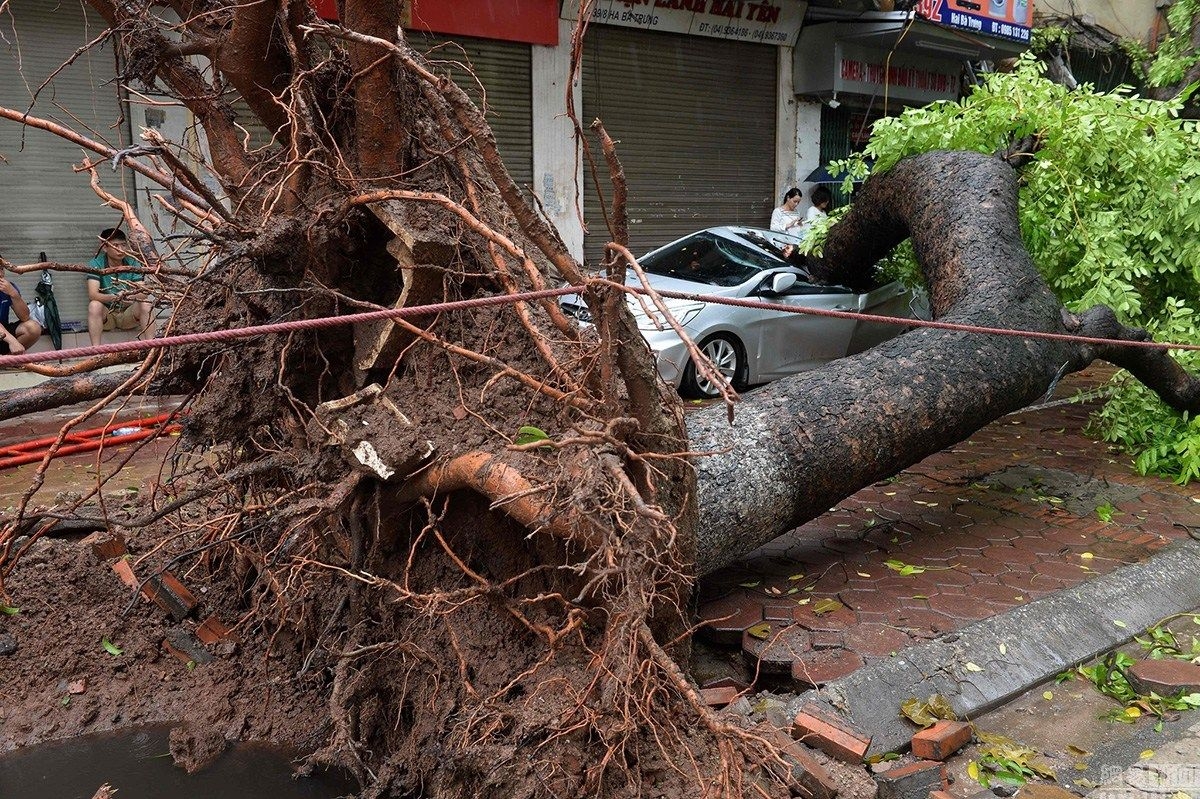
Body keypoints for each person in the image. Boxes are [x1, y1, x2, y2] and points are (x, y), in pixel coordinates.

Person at [86, 228, 154, 346]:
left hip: (129, 313)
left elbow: (143, 292)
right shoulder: (96, 263)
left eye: (123, 245)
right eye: (115, 245)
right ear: (104, 247)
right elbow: (93, 294)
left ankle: (151, 347)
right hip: (108, 316)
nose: (121, 250)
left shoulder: (133, 262)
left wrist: (127, 296)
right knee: (94, 305)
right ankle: (95, 352)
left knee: (146, 303)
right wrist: (114, 297)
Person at [0, 265, 42, 355]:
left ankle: (8, 360)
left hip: (3, 334)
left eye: (1, 268)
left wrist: (13, 293)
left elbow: (25, 317)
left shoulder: (7, 287)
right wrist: (12, 341)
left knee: (33, 327)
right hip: (3, 334)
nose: (0, 273)